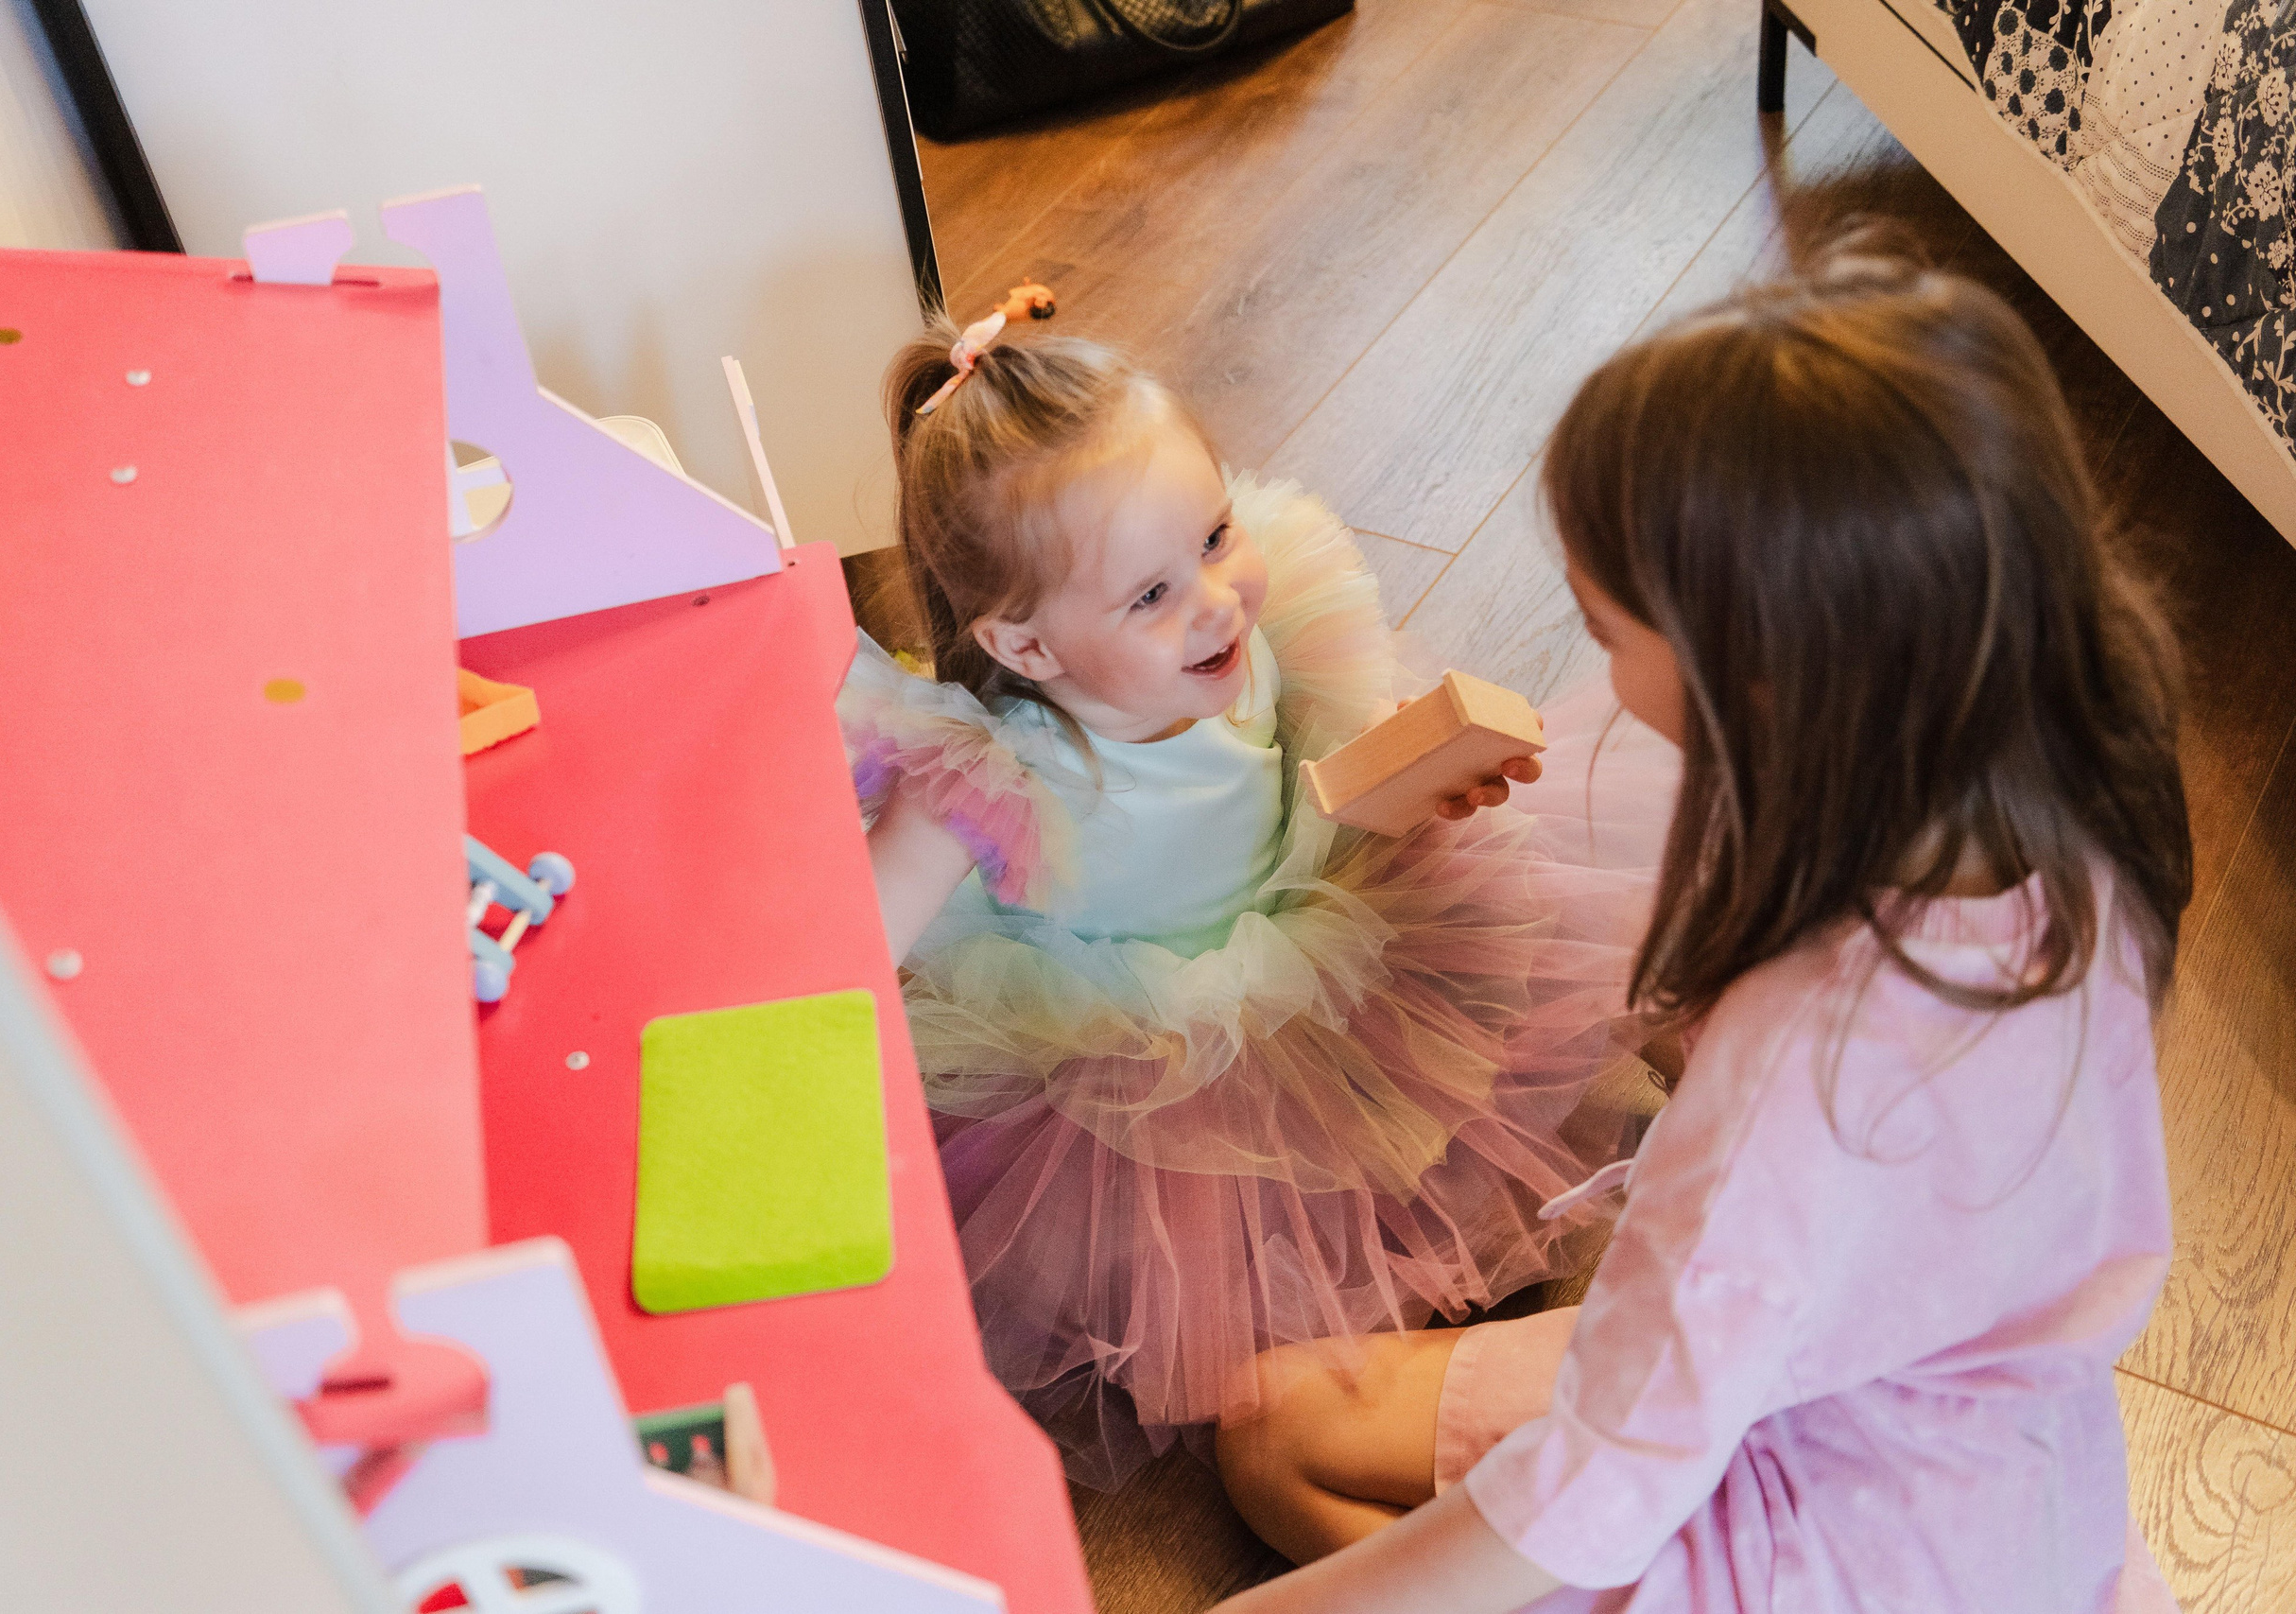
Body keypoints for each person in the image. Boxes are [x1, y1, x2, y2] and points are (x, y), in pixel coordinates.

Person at [1208, 249, 2192, 1610]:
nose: (1597, 666)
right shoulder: (2069, 789)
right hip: (2002, 1480)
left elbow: (1586, 1503)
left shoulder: (1802, 1078)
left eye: (1608, 625)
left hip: (1816, 1525)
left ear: (1764, 676)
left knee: (1273, 1434)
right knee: (1293, 1425)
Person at [845, 287, 1678, 1486]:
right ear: (1027, 650)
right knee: (1211, 1241)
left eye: (1216, 536)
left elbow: (1316, 755)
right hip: (1141, 1055)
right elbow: (848, 949)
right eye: (1150, 595)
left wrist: (1416, 769)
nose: (1217, 598)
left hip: (1314, 929)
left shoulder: (1239, 624)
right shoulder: (988, 773)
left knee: (1516, 973)